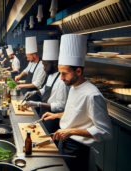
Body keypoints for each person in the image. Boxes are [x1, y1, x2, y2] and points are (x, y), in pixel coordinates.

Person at [40, 34, 113, 171]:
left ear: (78, 71)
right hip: (64, 143)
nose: (61, 78)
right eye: (60, 73)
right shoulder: (73, 87)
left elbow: (105, 131)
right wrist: (56, 115)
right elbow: (75, 113)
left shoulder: (93, 95)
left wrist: (71, 131)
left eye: (65, 73)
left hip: (78, 150)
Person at [24, 40, 69, 136]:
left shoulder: (62, 81)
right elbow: (44, 90)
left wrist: (39, 104)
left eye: (46, 65)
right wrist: (34, 93)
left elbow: (61, 106)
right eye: (43, 65)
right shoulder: (51, 75)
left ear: (54, 63)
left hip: (53, 119)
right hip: (44, 113)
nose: (44, 68)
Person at [15, 37, 46, 101]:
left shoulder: (41, 66)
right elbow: (26, 70)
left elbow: (37, 83)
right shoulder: (31, 62)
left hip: (34, 95)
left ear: (34, 55)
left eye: (28, 57)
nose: (27, 59)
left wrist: (22, 85)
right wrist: (20, 75)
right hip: (27, 92)